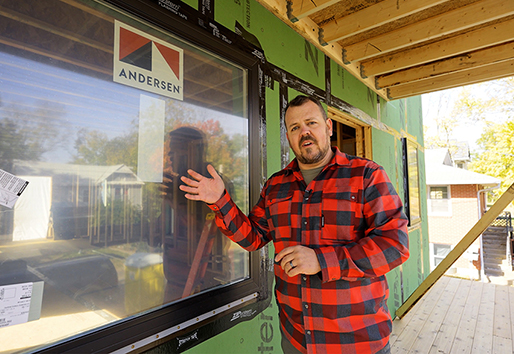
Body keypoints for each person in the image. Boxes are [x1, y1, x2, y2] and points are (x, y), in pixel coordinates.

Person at [179, 95, 409, 354]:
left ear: (329, 127)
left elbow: (395, 245)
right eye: (295, 127)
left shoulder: (367, 175)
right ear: (288, 136)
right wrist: (220, 200)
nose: (305, 132)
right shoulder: (276, 185)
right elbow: (253, 237)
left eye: (311, 123)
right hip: (297, 341)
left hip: (357, 342)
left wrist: (322, 261)